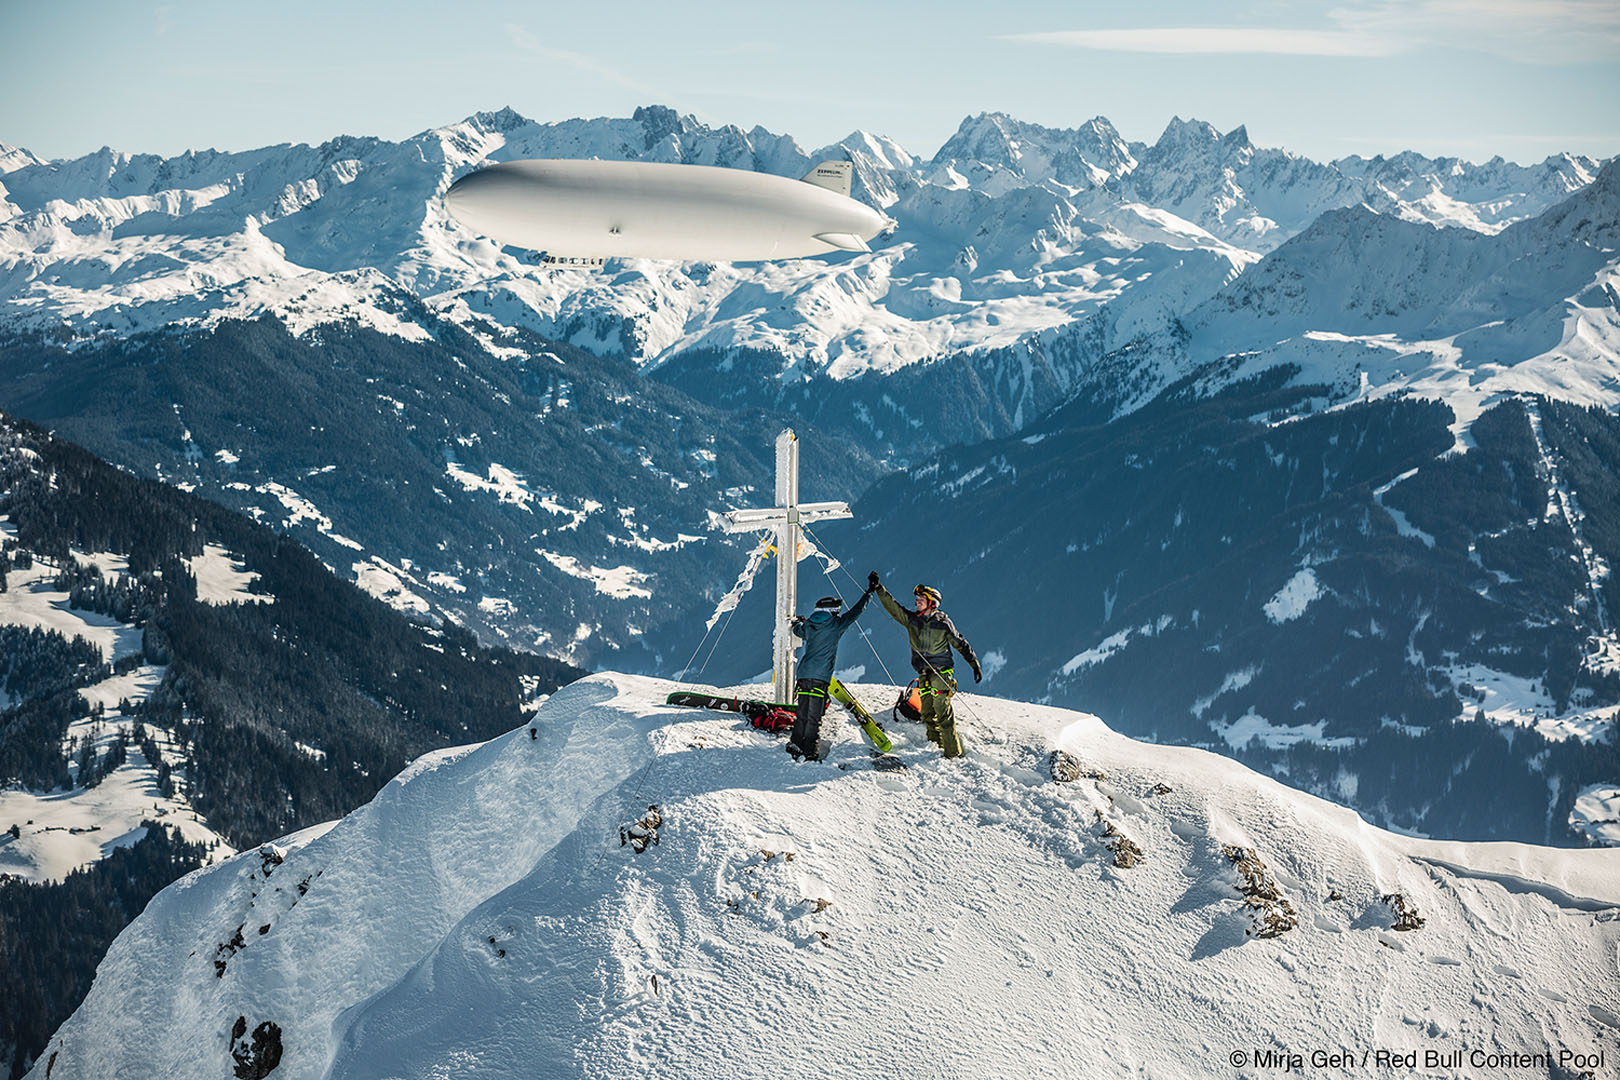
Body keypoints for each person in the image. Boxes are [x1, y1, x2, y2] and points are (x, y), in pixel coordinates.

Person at [869, 572, 980, 758]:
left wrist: (974, 664)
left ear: (932, 603)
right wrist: (879, 589)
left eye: (921, 598)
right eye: (917, 598)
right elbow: (893, 608)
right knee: (927, 713)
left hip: (942, 673)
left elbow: (960, 643)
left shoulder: (943, 623)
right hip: (924, 673)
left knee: (942, 711)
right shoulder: (913, 620)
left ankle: (953, 754)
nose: (917, 601)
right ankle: (936, 750)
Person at [786, 585, 874, 761]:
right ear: (833, 611)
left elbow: (797, 629)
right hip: (820, 677)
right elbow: (856, 611)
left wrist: (797, 622)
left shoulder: (809, 625)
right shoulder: (835, 625)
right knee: (814, 716)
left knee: (802, 712)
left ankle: (795, 744)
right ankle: (810, 751)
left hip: (803, 674)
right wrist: (869, 592)